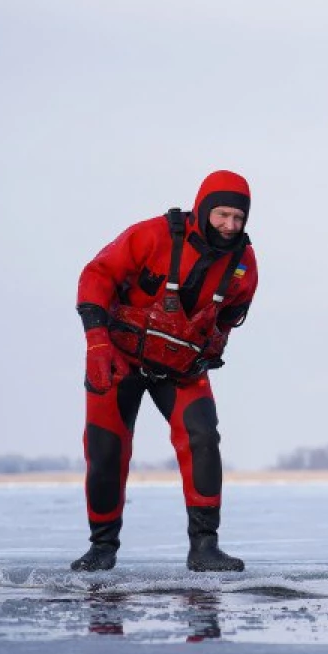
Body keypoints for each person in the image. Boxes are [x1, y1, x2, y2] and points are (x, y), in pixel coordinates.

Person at [71, 170, 260, 573]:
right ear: (205, 207)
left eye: (238, 219)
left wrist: (214, 345)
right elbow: (96, 275)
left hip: (180, 367)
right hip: (118, 358)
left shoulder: (244, 264)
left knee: (203, 437)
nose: (229, 226)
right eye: (222, 214)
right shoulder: (152, 236)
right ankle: (102, 547)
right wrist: (97, 342)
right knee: (106, 450)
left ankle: (205, 548)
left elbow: (231, 314)